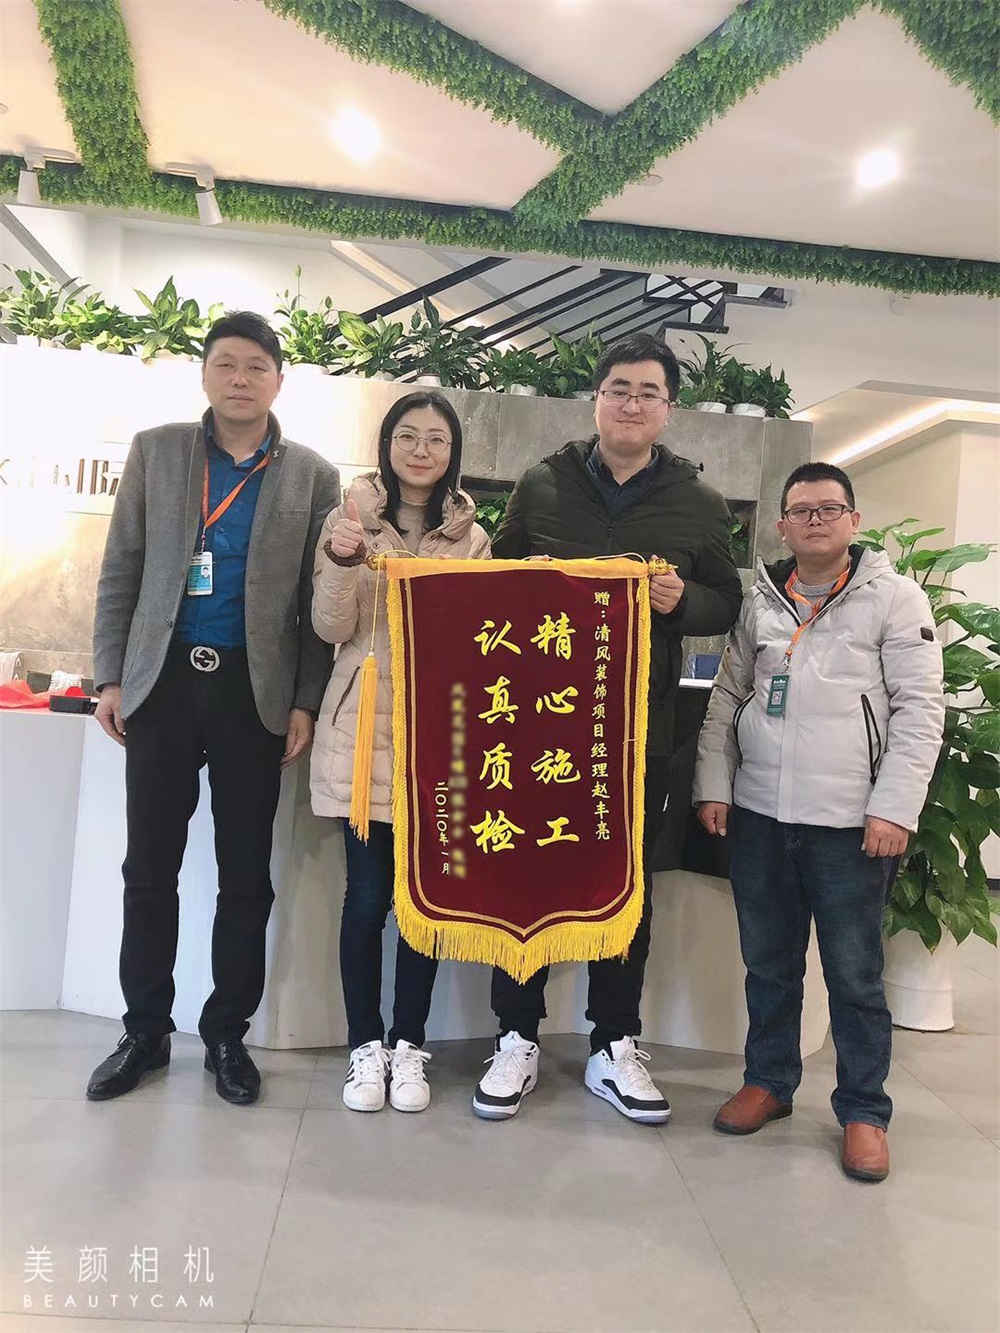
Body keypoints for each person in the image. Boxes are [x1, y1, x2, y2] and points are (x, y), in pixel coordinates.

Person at [473, 331, 744, 1123]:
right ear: (595, 399)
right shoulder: (543, 484)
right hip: (535, 723)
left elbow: (726, 603)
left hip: (635, 729)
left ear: (669, 408)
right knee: (525, 869)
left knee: (628, 882)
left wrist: (682, 602)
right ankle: (515, 1034)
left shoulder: (699, 503)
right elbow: (490, 584)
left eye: (648, 391)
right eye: (618, 388)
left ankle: (613, 1040)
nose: (632, 402)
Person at [86, 311, 340, 1106]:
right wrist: (109, 676)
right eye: (226, 363)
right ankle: (145, 1030)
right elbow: (122, 567)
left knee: (245, 874)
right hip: (161, 683)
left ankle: (227, 1032)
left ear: (278, 381)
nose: (240, 378)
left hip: (251, 692)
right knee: (148, 869)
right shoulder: (157, 451)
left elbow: (316, 604)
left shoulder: (312, 475)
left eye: (256, 366)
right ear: (204, 373)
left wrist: (305, 700)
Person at [694, 461, 944, 1182]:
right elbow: (727, 695)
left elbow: (920, 712)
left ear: (853, 521)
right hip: (762, 816)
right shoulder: (760, 601)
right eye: (801, 510)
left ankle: (864, 1110)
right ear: (781, 525)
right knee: (769, 966)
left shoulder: (894, 598)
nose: (814, 520)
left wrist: (893, 806)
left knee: (855, 976)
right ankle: (770, 1082)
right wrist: (716, 785)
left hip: (850, 826)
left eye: (829, 509)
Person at [311, 392, 491, 1114]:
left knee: (424, 902)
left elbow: (482, 642)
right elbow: (331, 626)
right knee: (365, 898)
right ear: (387, 445)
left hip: (438, 737)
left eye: (436, 439)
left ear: (453, 453)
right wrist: (341, 558)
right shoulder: (350, 519)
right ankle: (365, 1045)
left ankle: (409, 1042)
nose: (421, 450)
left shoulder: (473, 539)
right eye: (408, 436)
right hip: (362, 732)